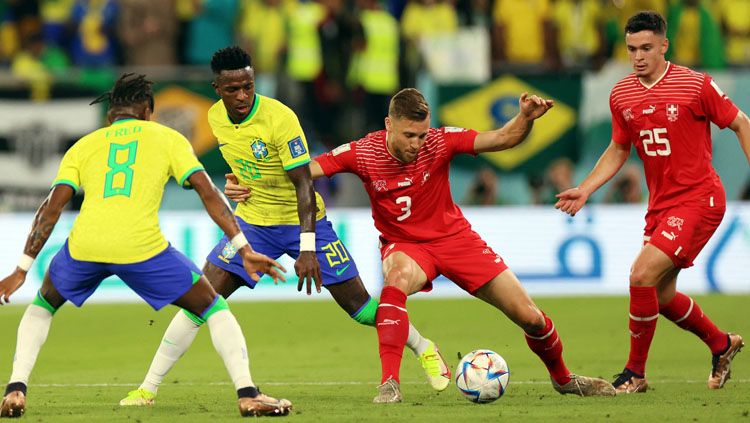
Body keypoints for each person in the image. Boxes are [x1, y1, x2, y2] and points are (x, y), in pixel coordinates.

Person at [227, 88, 617, 402]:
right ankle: (389, 384)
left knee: (530, 316)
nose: (416, 144)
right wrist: (242, 179)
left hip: (456, 240)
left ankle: (565, 380)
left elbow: (503, 138)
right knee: (394, 281)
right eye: (409, 135)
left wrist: (525, 119)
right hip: (405, 245)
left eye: (421, 135)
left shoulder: (441, 142)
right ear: (388, 125)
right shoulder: (362, 151)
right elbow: (300, 172)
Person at [119, 46, 448, 407]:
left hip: (304, 221)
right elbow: (244, 167)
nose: (243, 95)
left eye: (248, 85)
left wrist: (307, 249)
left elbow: (305, 184)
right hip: (254, 223)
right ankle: (147, 388)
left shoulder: (280, 118)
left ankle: (424, 346)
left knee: (360, 308)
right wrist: (235, 184)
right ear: (217, 88)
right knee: (199, 300)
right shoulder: (215, 118)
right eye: (233, 89)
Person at [0, 74, 292, 418]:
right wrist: (243, 247)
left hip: (84, 247)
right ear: (148, 110)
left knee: (42, 305)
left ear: (111, 116)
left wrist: (21, 269)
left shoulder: (84, 145)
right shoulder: (168, 137)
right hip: (142, 247)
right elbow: (208, 192)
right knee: (213, 308)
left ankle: (15, 390)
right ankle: (247, 394)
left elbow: (50, 208)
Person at [555, 11, 750, 394]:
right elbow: (618, 148)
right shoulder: (622, 94)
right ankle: (721, 343)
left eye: (646, 48)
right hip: (661, 206)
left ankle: (635, 374)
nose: (639, 56)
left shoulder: (696, 86)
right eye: (631, 49)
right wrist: (586, 188)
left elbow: (742, 123)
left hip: (700, 199)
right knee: (658, 296)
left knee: (640, 276)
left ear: (664, 45)